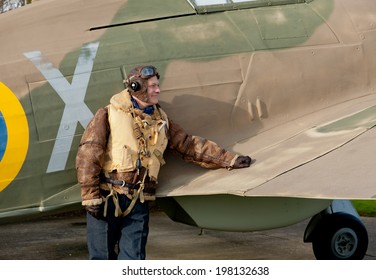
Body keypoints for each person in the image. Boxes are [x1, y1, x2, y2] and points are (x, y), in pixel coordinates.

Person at [76, 65, 252, 260]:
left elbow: (188, 145)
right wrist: (90, 196)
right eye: (152, 86)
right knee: (101, 259)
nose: (157, 90)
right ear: (137, 87)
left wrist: (229, 159)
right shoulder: (108, 114)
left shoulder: (161, 120)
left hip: (139, 201)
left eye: (157, 86)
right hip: (108, 198)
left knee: (133, 261)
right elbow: (89, 153)